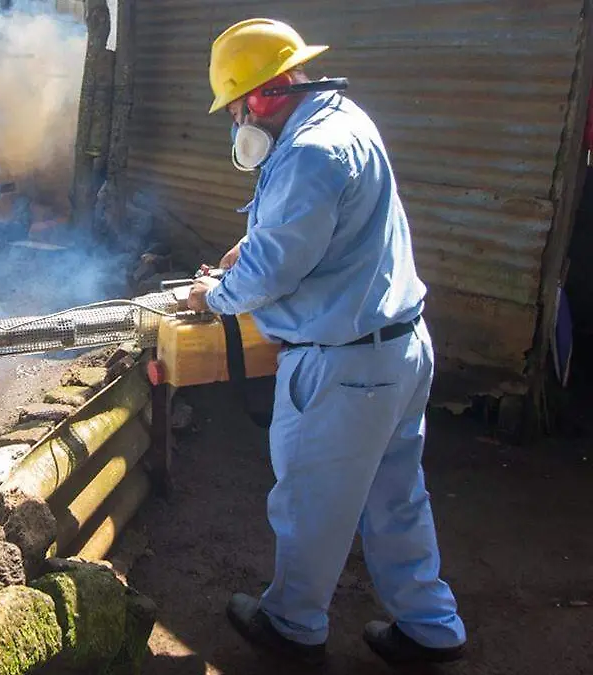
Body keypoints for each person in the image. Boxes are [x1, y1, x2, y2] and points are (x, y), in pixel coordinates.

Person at [182, 18, 468, 667]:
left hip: (346, 365)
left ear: (264, 95)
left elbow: (272, 271)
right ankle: (431, 626)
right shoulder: (342, 120)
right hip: (398, 349)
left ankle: (292, 626)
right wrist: (248, 246)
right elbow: (311, 228)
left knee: (311, 500)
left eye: (235, 107)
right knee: (396, 495)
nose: (235, 121)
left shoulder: (309, 152)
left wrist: (212, 295)